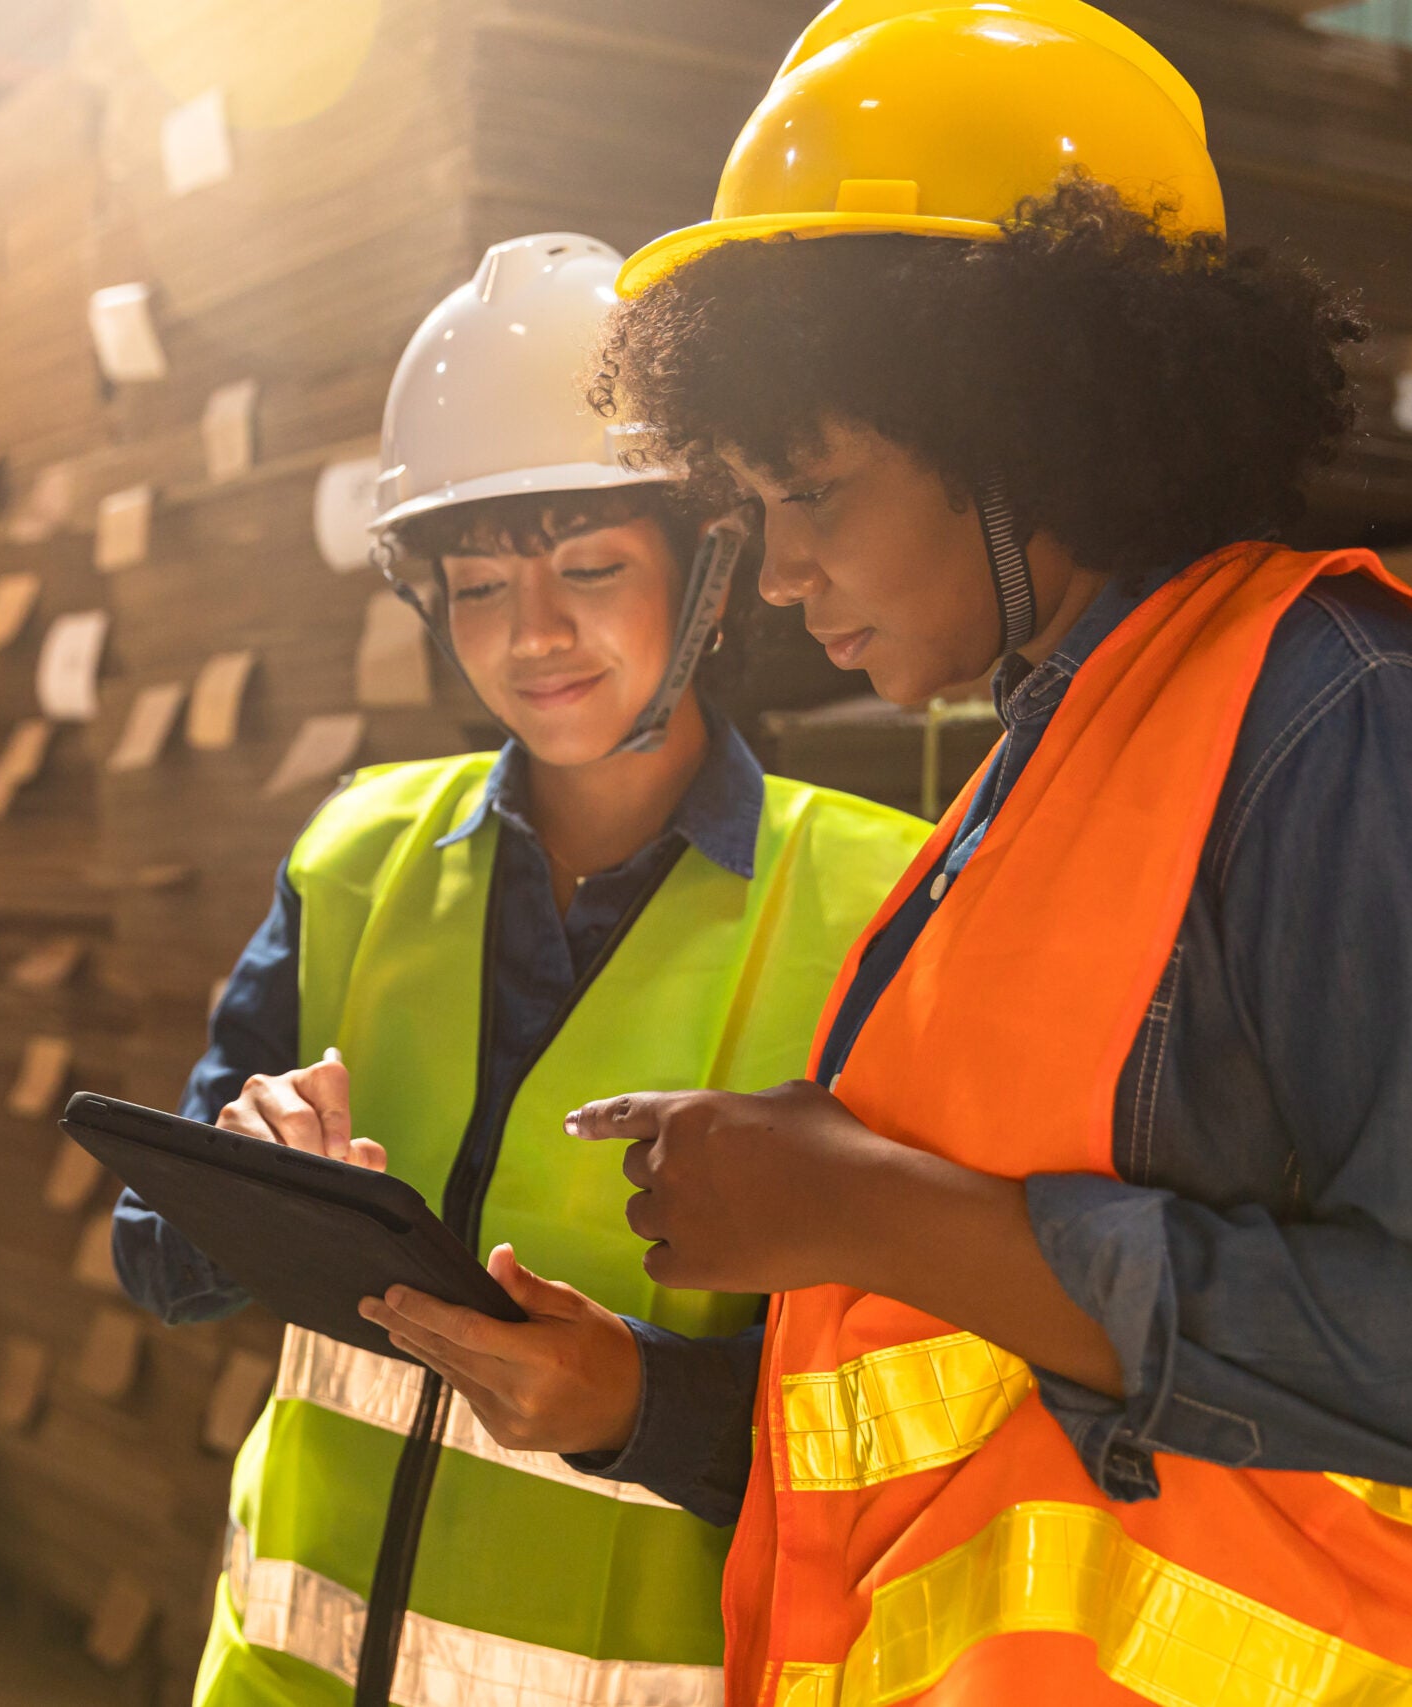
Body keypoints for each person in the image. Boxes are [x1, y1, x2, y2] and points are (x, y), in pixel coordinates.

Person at [380, 5, 1412, 1705]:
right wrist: (643, 1400)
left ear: (1025, 433)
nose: (772, 575)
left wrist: (871, 1209)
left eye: (818, 492)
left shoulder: (1348, 726)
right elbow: (983, 1405)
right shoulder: (1047, 775)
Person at [110, 232, 933, 1707]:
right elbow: (153, 1255)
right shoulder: (357, 853)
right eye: (479, 586)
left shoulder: (879, 905)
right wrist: (241, 1190)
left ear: (715, 569)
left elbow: (926, 1430)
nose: (533, 634)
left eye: (590, 569)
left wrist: (641, 1404)